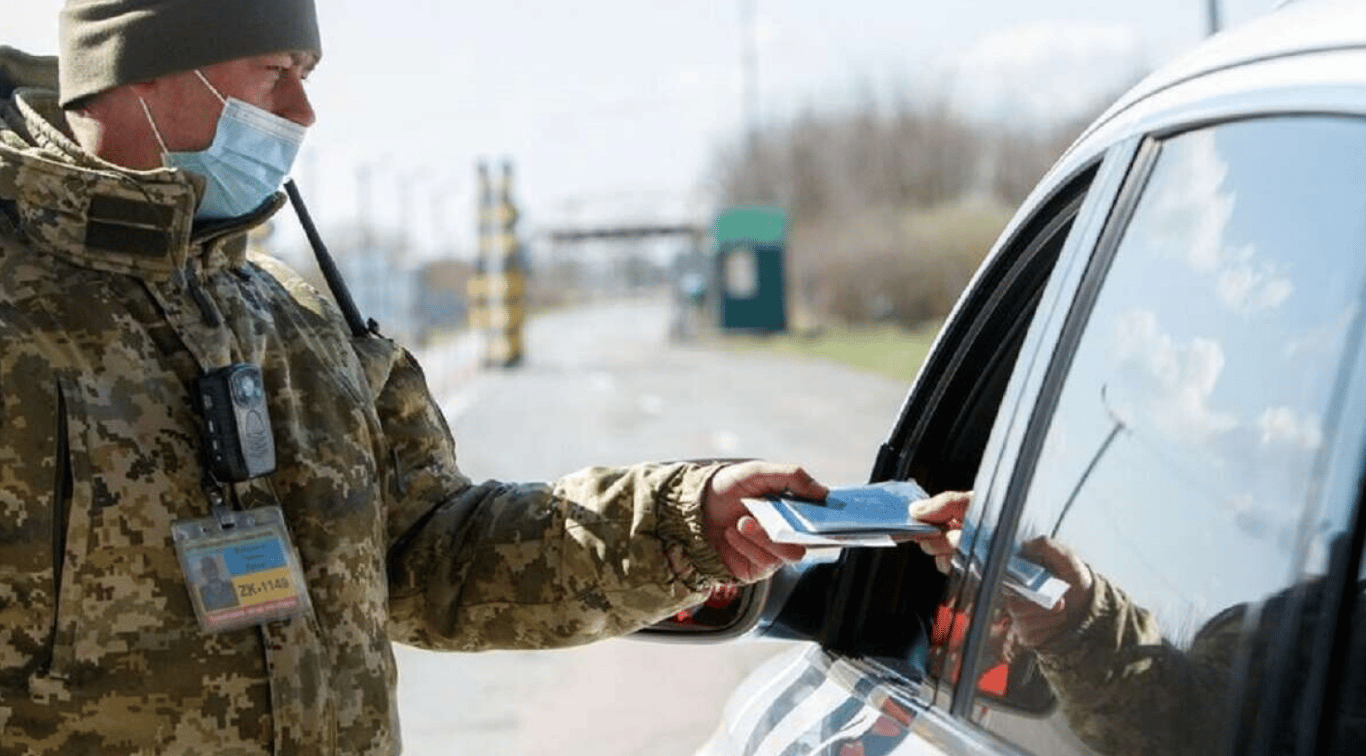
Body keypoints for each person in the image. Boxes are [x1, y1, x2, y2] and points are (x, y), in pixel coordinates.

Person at [0, 1, 850, 753]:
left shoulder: (296, 321)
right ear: (144, 67)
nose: (303, 109)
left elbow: (430, 556)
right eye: (276, 73)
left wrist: (686, 520)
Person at [910, 494, 1366, 756]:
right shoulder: (1312, 624)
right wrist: (1074, 617)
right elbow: (1202, 720)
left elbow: (1191, 726)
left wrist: (1076, 622)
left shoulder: (1306, 625)